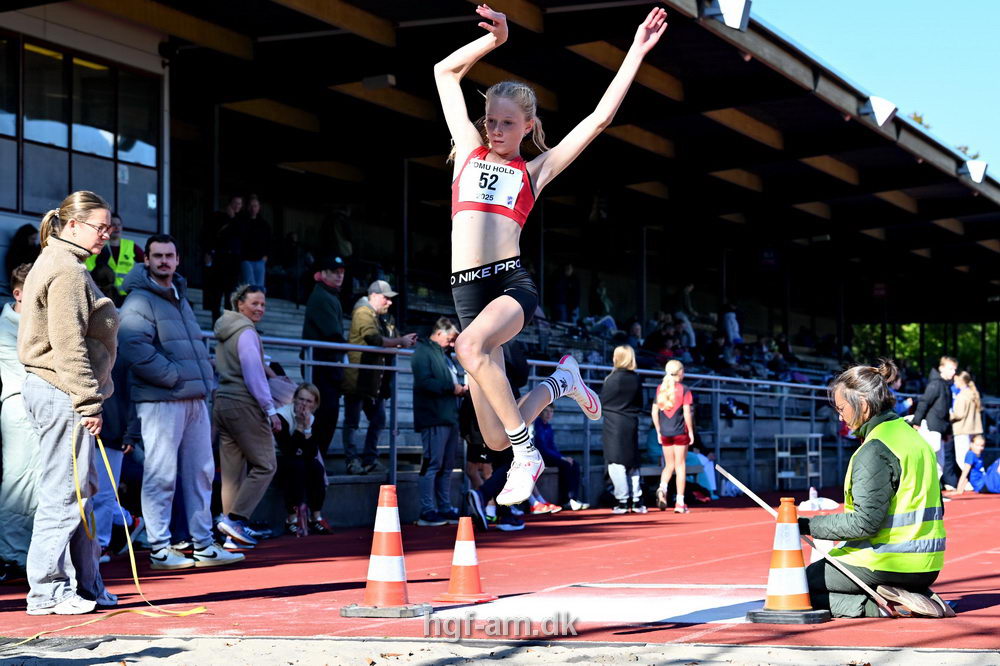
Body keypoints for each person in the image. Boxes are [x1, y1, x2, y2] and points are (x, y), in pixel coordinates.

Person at [435, 4, 666, 505]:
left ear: (528, 126)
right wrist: (494, 41)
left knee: (468, 349)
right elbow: (444, 72)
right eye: (491, 120)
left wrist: (635, 52)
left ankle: (529, 456)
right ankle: (562, 381)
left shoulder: (533, 172)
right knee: (493, 437)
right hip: (467, 297)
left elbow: (599, 120)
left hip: (508, 286)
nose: (495, 130)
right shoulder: (468, 150)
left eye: (507, 123)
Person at [17, 191, 119, 615]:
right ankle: (47, 591)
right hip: (62, 391)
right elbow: (68, 344)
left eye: (109, 228)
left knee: (80, 491)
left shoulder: (58, 262)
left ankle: (85, 584)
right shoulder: (66, 270)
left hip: (58, 390)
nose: (106, 235)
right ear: (73, 225)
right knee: (66, 493)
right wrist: (88, 401)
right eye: (100, 227)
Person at [119, 234, 243, 570]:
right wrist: (174, 376)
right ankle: (160, 547)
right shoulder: (139, 300)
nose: (164, 261)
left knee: (201, 472)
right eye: (157, 256)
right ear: (147, 260)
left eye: (169, 256)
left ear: (177, 260)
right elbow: (132, 346)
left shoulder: (178, 295)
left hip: (192, 398)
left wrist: (199, 380)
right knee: (161, 474)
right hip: (162, 400)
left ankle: (202, 543)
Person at [799, 361, 950, 618]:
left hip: (887, 562)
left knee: (799, 588)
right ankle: (915, 592)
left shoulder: (876, 449)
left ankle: (881, 607)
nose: (840, 417)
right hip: (928, 565)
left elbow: (864, 523)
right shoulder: (915, 440)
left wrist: (805, 525)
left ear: (864, 405)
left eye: (842, 408)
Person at [213, 284, 281, 547]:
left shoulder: (225, 329)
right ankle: (236, 520)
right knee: (266, 465)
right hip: (244, 404)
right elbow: (254, 374)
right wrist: (270, 409)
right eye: (255, 303)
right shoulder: (246, 332)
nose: (260, 308)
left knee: (232, 473)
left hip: (223, 402)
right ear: (239, 303)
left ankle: (229, 534)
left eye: (263, 304)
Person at [341, 280, 416, 475]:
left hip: (372, 381)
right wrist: (400, 341)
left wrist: (402, 340)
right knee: (353, 421)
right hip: (359, 378)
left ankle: (369, 459)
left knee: (377, 419)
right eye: (386, 298)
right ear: (373, 296)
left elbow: (388, 339)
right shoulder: (363, 312)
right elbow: (373, 338)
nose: (389, 302)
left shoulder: (380, 316)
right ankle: (353, 460)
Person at [0, 263, 39, 584]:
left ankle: (29, 554)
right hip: (18, 409)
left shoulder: (38, 321)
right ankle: (12, 553)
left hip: (40, 408)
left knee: (40, 483)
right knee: (18, 483)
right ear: (18, 294)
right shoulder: (6, 328)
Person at [412, 317, 465, 526]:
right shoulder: (423, 352)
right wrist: (452, 388)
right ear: (439, 333)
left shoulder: (443, 355)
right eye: (450, 339)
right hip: (434, 416)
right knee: (433, 463)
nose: (451, 344)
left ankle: (443, 506)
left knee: (446, 465)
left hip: (449, 415)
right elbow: (424, 382)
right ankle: (427, 509)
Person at [302, 255, 347, 456]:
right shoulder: (322, 296)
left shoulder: (328, 295)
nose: (339, 276)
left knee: (327, 417)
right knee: (324, 417)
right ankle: (315, 461)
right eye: (335, 272)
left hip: (326, 364)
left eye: (342, 273)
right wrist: (350, 348)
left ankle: (316, 462)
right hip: (322, 366)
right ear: (323, 274)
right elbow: (333, 334)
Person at [276, 383, 331, 535]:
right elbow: (288, 450)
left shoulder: (312, 419)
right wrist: (300, 427)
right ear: (294, 399)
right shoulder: (281, 416)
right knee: (295, 466)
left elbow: (311, 453)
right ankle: (291, 519)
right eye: (301, 399)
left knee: (316, 467)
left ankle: (316, 516)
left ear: (315, 405)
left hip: (298, 457)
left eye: (308, 401)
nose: (304, 404)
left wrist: (307, 428)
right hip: (277, 458)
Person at [600, 345, 645, 514]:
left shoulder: (610, 379)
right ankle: (636, 499)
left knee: (615, 461)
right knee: (632, 461)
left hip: (613, 423)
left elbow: (603, 402)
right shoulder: (636, 379)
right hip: (631, 421)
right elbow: (640, 402)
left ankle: (622, 500)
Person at [652, 359, 695, 513]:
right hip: (679, 432)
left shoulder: (661, 389)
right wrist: (691, 431)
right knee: (680, 465)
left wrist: (658, 430)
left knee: (668, 465)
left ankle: (662, 487)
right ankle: (680, 502)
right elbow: (687, 413)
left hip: (665, 432)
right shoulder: (684, 389)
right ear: (680, 372)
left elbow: (654, 412)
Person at [911, 356, 959, 488]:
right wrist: (916, 421)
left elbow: (945, 411)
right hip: (932, 427)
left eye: (954, 369)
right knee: (932, 461)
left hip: (939, 428)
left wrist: (947, 431)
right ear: (941, 368)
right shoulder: (936, 384)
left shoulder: (945, 385)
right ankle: (927, 490)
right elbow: (924, 402)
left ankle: (934, 490)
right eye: (950, 369)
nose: (953, 372)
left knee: (939, 463)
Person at [532, 405, 584, 509]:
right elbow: (542, 448)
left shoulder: (548, 427)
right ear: (540, 412)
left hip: (549, 456)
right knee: (566, 465)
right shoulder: (536, 425)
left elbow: (552, 447)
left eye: (551, 411)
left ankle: (573, 498)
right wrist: (561, 458)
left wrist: (562, 457)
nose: (549, 414)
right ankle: (566, 500)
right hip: (540, 457)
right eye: (546, 411)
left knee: (574, 464)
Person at [84, 213, 143, 304]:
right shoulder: (97, 246)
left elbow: (147, 264)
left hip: (126, 295)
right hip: (103, 294)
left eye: (119, 225)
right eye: (113, 225)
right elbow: (87, 270)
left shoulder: (131, 246)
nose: (117, 227)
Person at [203, 194, 243, 322]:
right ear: (229, 203)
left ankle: (227, 322)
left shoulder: (241, 220)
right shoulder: (218, 217)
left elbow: (242, 235)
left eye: (239, 204)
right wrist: (208, 252)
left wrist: (233, 218)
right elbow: (209, 235)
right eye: (235, 203)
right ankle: (215, 320)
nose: (237, 206)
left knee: (230, 293)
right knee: (217, 292)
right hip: (219, 258)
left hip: (233, 260)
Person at [950, 372, 982, 493]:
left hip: (962, 429)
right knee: (972, 457)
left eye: (955, 380)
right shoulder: (973, 393)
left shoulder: (962, 395)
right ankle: (973, 480)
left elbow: (959, 414)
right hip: (973, 429)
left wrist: (948, 415)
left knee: (962, 458)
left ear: (959, 380)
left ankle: (967, 483)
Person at [238, 194, 270, 287]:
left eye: (255, 206)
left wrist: (266, 255)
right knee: (250, 285)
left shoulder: (264, 224)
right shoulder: (242, 222)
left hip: (260, 260)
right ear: (247, 207)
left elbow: (269, 241)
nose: (253, 208)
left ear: (259, 207)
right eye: (251, 206)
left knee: (260, 286)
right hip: (246, 259)